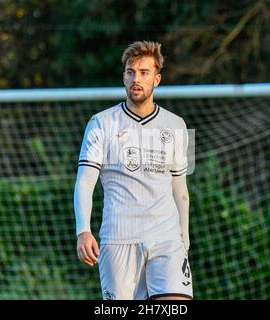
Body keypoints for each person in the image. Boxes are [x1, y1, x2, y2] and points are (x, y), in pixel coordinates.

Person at [74, 41, 192, 300]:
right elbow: (85, 182)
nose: (136, 79)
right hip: (119, 240)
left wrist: (184, 238)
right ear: (124, 76)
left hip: (166, 240)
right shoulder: (100, 124)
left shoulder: (177, 125)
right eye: (131, 72)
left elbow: (180, 190)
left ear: (157, 79)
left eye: (144, 72)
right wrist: (83, 230)